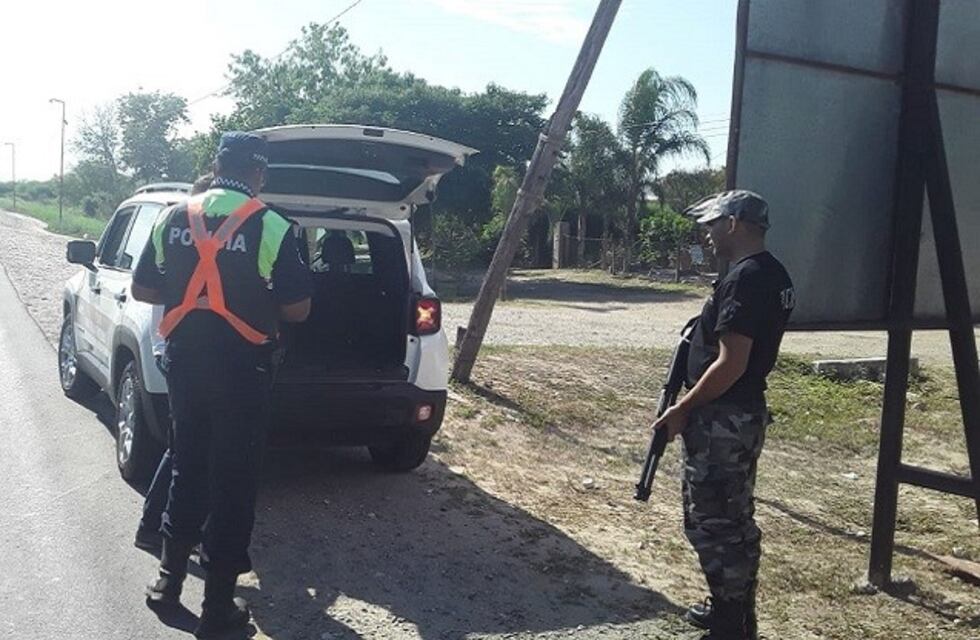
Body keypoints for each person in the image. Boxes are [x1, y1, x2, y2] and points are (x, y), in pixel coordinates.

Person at [131, 132, 311, 638]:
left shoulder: (173, 216)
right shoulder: (272, 225)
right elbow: (299, 309)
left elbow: (144, 288)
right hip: (244, 370)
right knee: (233, 481)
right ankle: (216, 608)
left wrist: (192, 289)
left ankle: (166, 584)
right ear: (260, 174)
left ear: (217, 163)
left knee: (188, 465)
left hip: (186, 364)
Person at [652, 190, 795, 640]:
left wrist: (680, 409)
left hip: (723, 422)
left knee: (714, 522)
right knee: (731, 517)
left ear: (734, 223)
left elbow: (732, 362)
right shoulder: (770, 274)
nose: (707, 234)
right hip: (737, 417)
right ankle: (730, 608)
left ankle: (733, 623)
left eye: (713, 224)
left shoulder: (747, 279)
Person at [134, 172, 213, 555]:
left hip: (176, 349)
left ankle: (161, 527)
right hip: (175, 349)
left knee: (186, 445)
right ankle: (157, 528)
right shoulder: (183, 235)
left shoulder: (188, 239)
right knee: (186, 447)